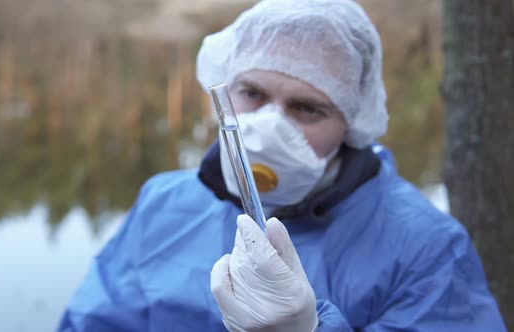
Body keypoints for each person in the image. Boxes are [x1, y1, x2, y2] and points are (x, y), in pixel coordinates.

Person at [58, 0, 507, 331]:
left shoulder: (425, 249)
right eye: (251, 94)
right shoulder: (165, 204)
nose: (269, 125)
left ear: (352, 121)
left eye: (307, 108)